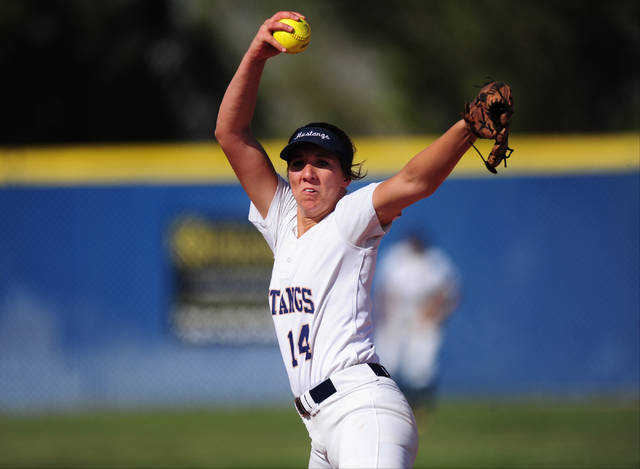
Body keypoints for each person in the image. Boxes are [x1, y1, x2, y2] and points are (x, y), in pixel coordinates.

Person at [215, 11, 479, 469]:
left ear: (343, 179)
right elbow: (230, 134)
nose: (307, 173)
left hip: (364, 411)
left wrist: (468, 127)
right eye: (297, 163)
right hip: (319, 429)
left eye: (323, 162)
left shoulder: (350, 217)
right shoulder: (281, 219)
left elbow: (415, 180)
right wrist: (258, 52)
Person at [374, 233, 461, 412]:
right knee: (386, 359)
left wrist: (437, 313)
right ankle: (385, 404)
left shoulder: (435, 261)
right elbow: (382, 291)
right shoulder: (395, 257)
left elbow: (450, 291)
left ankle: (419, 407)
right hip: (396, 312)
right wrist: (383, 315)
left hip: (422, 313)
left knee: (420, 365)